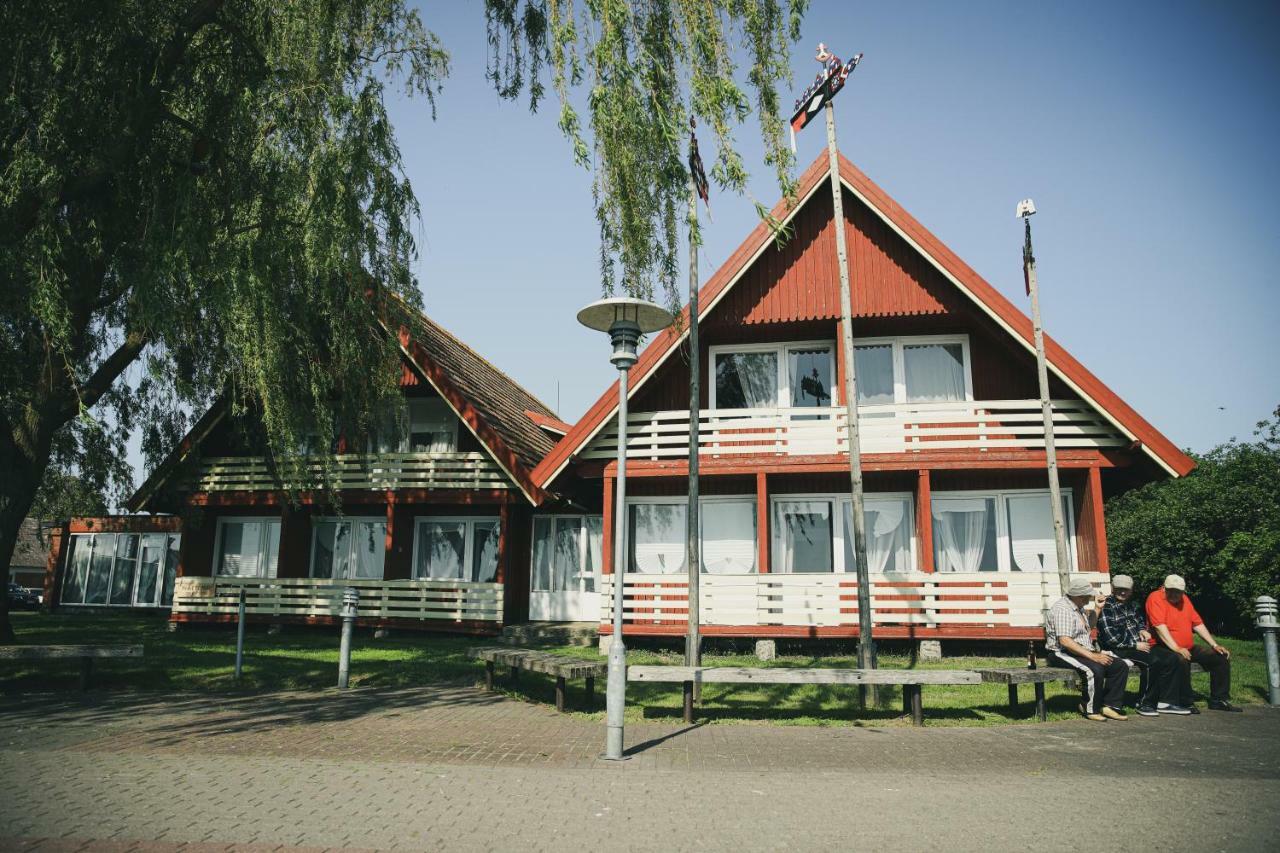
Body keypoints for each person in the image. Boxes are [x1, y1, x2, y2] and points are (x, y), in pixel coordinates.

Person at [1146, 574, 1241, 713]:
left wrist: (1214, 645)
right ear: (1164, 588)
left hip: (1186, 646)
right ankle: (1185, 701)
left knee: (1220, 657)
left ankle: (1219, 700)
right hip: (1161, 646)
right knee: (1181, 658)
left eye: (1178, 591)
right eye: (1171, 590)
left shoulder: (1184, 600)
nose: (1175, 594)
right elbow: (1160, 627)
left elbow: (1197, 624)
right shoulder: (1155, 598)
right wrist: (1177, 648)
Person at [1045, 578, 1131, 721]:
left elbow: (1088, 628)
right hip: (1061, 653)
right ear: (1079, 595)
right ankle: (1089, 708)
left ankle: (1110, 705)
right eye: (1088, 595)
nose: (1090, 598)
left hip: (1080, 650)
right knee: (1094, 669)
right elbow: (1065, 641)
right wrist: (1093, 656)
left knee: (1119, 666)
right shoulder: (1063, 609)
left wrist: (1098, 609)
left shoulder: (1078, 607)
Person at [1097, 574, 1165, 716]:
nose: (1123, 592)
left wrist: (1142, 629)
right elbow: (1111, 638)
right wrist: (1135, 645)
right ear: (1112, 588)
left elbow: (1139, 620)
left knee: (1166, 658)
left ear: (1131, 590)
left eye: (1126, 589)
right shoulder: (1107, 606)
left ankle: (1163, 699)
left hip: (1136, 645)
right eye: (1119, 589)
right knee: (1152, 662)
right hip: (1117, 648)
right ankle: (1145, 703)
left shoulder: (1132, 605)